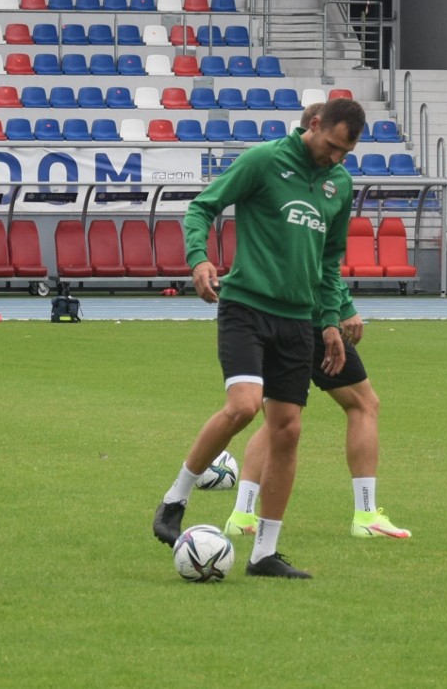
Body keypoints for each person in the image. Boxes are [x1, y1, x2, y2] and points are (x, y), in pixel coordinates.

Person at [152, 98, 365, 579]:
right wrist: (199, 259)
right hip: (246, 307)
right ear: (314, 125)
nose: (335, 158)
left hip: (299, 321)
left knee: (287, 430)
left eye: (344, 153)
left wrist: (330, 321)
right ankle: (174, 500)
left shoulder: (339, 184)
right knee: (245, 406)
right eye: (331, 146)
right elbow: (202, 207)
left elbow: (329, 263)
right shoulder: (264, 160)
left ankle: (264, 553)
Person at [225, 278, 411, 541]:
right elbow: (323, 261)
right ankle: (367, 515)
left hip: (270, 317)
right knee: (363, 404)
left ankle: (242, 515)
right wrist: (344, 308)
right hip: (313, 319)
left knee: (277, 421)